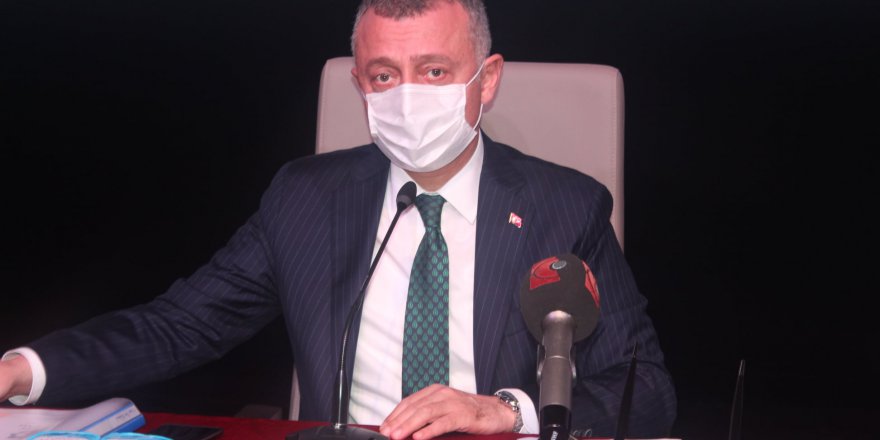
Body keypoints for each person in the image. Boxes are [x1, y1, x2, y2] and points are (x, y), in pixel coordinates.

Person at [0, 0, 676, 438]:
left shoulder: (566, 207)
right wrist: (22, 369)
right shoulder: (305, 198)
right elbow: (180, 326)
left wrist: (503, 411)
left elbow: (643, 391)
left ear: (488, 79)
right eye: (384, 75)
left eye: (434, 72)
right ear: (360, 85)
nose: (407, 96)